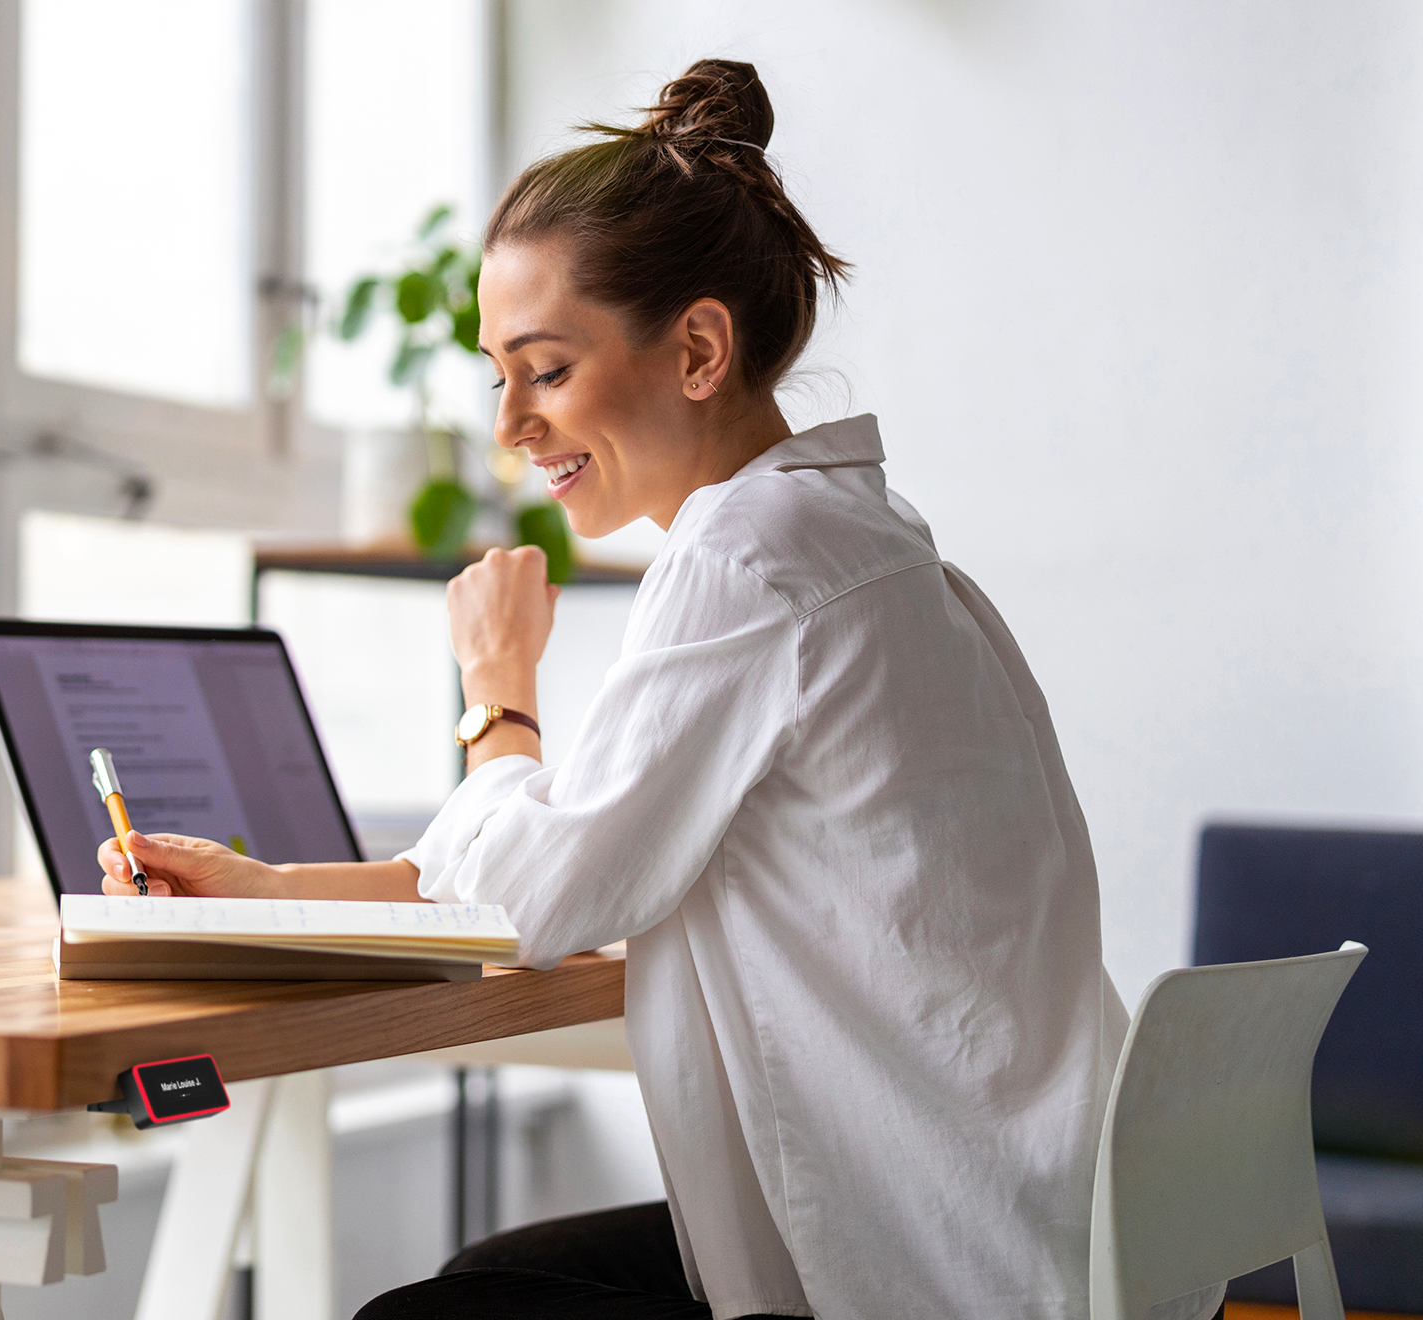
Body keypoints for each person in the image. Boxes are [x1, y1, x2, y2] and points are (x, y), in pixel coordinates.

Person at [98, 59, 1156, 1320]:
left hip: (927, 1265)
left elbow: (536, 894)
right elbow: (578, 852)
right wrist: (271, 893)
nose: (510, 426)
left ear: (699, 348)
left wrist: (498, 688)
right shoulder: (854, 538)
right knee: (490, 1281)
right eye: (499, 374)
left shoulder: (748, 558)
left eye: (544, 371)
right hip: (1023, 1228)